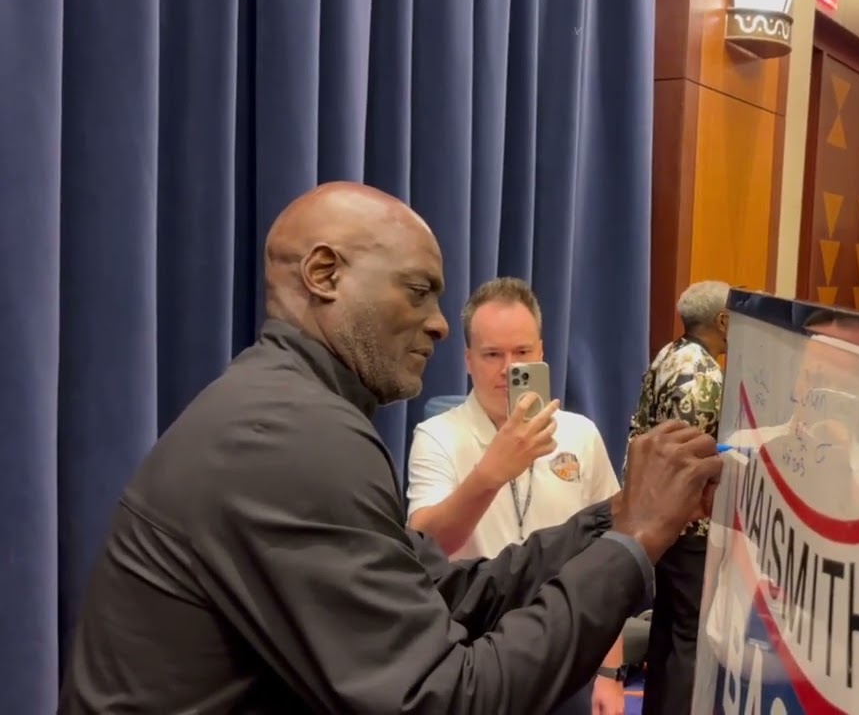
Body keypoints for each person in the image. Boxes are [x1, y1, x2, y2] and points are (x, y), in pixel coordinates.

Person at [57, 182, 722, 714]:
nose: (436, 323)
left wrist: (614, 513)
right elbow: (447, 697)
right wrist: (631, 544)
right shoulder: (293, 436)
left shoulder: (291, 409)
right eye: (417, 291)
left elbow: (448, 590)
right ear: (324, 274)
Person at [406, 277, 625, 715]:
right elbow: (424, 547)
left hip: (567, 652)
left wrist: (610, 671)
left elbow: (610, 555)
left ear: (541, 353)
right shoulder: (437, 437)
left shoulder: (579, 436)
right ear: (468, 360)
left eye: (522, 353)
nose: (508, 369)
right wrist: (489, 473)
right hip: (473, 657)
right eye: (492, 355)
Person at [627, 279, 728, 715]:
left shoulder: (668, 355)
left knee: (667, 632)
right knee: (691, 638)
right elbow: (690, 460)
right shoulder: (701, 374)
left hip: (662, 518)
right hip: (689, 524)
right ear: (724, 321)